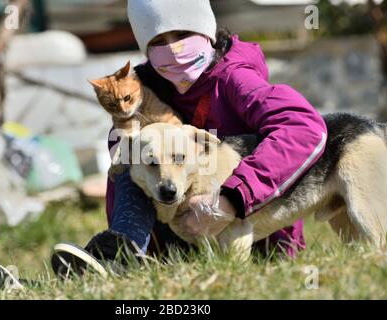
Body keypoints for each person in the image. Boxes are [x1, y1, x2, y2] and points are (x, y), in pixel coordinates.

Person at [51, 0, 327, 277]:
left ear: (207, 32)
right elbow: (121, 145)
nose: (173, 48)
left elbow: (303, 128)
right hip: (175, 239)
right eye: (159, 40)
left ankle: (119, 261)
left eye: (183, 35)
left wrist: (232, 198)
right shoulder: (142, 89)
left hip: (254, 238)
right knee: (129, 160)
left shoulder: (234, 77)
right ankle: (122, 254)